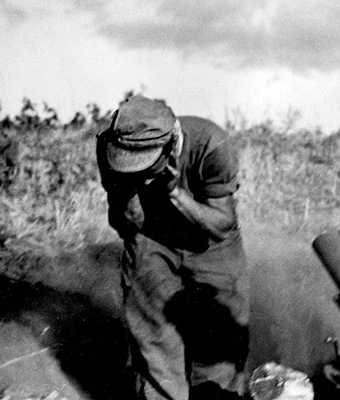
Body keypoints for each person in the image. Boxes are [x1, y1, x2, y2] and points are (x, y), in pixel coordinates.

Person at [96, 96, 249, 400]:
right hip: (152, 236)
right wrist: (129, 191)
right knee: (154, 339)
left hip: (208, 239)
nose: (136, 170)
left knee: (219, 340)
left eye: (145, 163)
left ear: (173, 143)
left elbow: (221, 224)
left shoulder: (211, 144)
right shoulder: (110, 148)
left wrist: (175, 194)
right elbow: (125, 226)